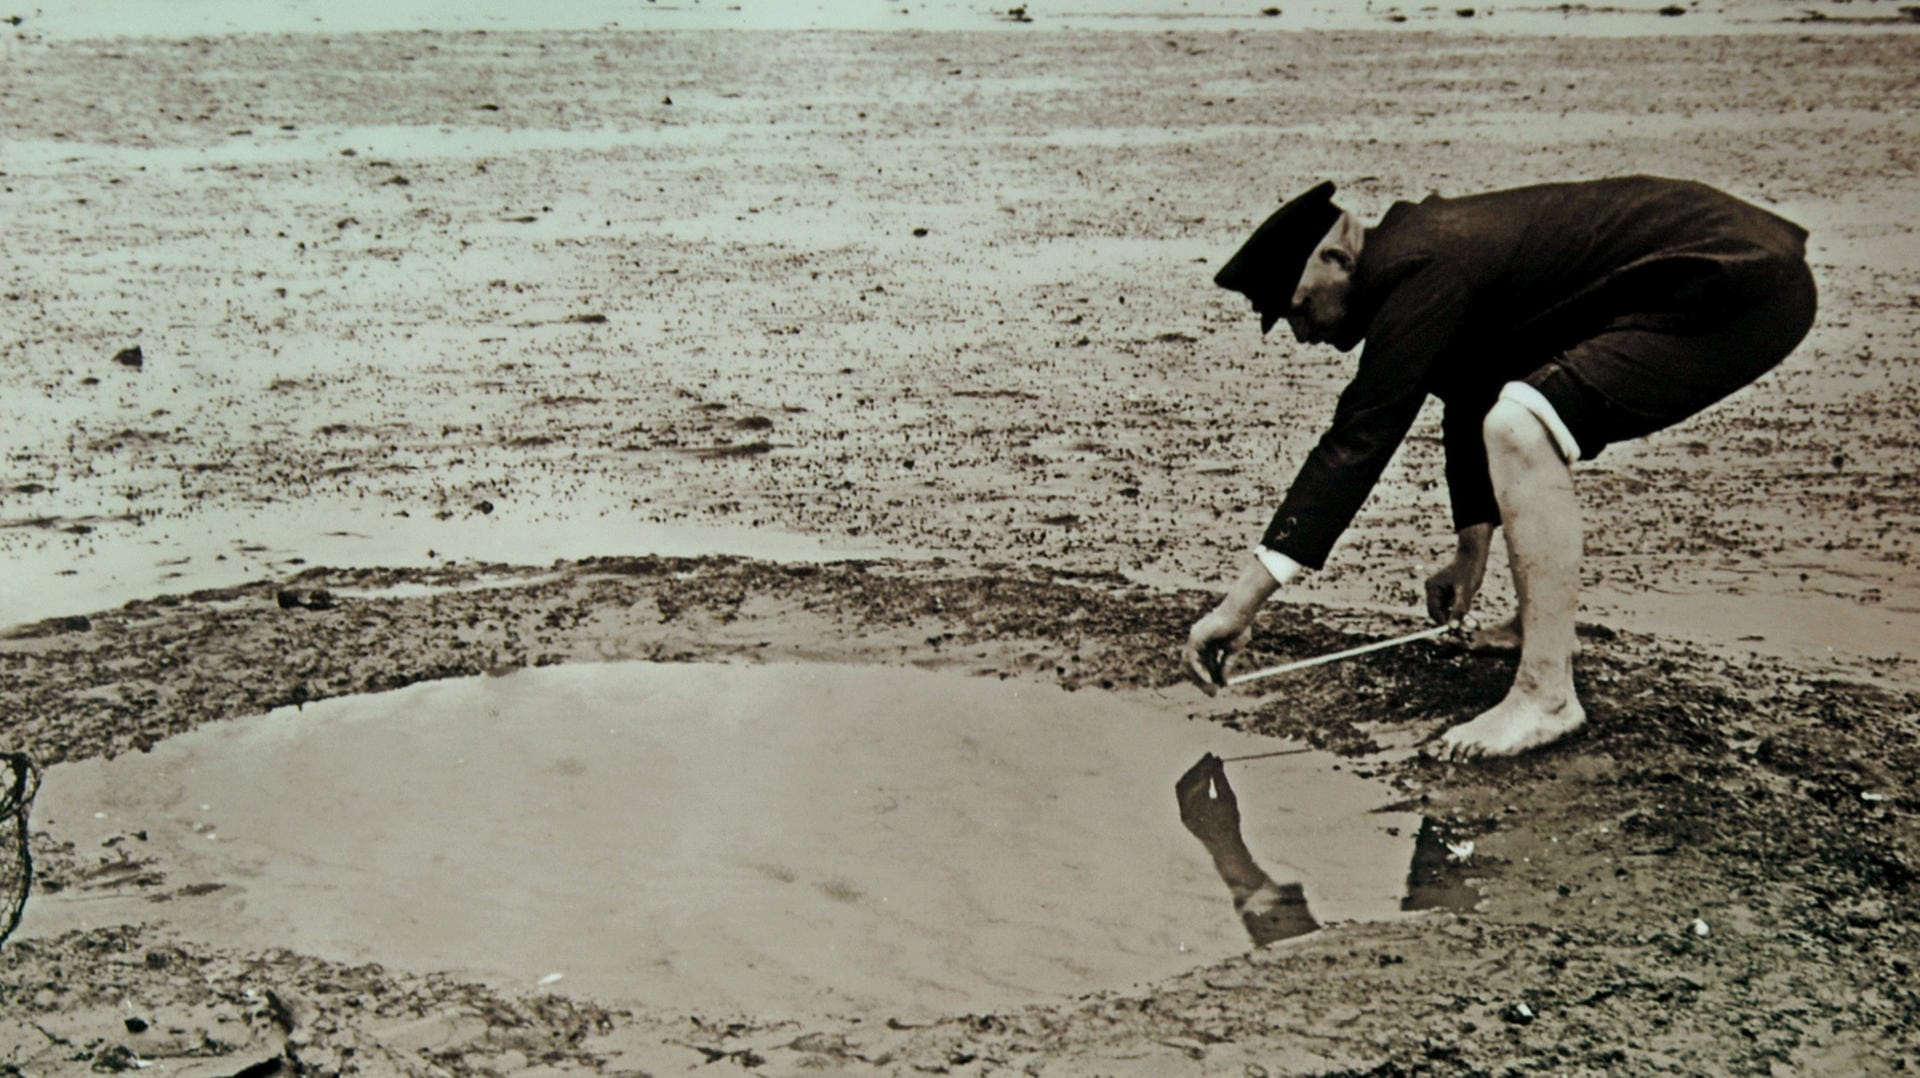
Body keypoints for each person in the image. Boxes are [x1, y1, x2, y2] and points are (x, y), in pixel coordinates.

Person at [1182, 176, 1817, 760]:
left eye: (1297, 309)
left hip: (1739, 287)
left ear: (1337, 260)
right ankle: (1539, 629)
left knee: (1522, 426)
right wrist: (1470, 554)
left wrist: (1238, 607)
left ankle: (1546, 695)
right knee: (1510, 411)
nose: (1302, 334)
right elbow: (1473, 384)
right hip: (1732, 271)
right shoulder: (1419, 253)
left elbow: (1359, 439)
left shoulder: (1422, 265)